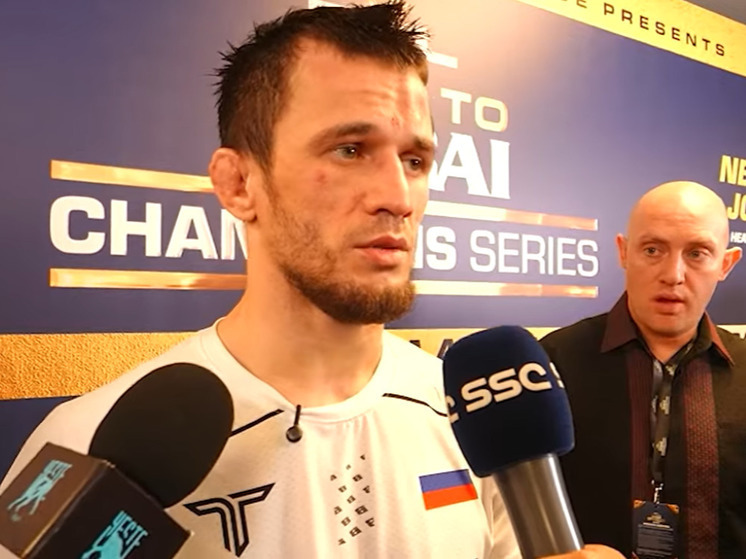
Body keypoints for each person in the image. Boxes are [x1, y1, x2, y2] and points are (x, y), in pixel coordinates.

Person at [1, 3, 623, 558]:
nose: (398, 197)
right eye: (350, 149)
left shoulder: (476, 415)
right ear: (238, 184)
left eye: (415, 160)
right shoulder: (87, 447)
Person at [541, 181, 746, 558]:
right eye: (653, 250)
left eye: (697, 253)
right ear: (624, 252)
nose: (673, 274)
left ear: (725, 264)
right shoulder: (551, 362)